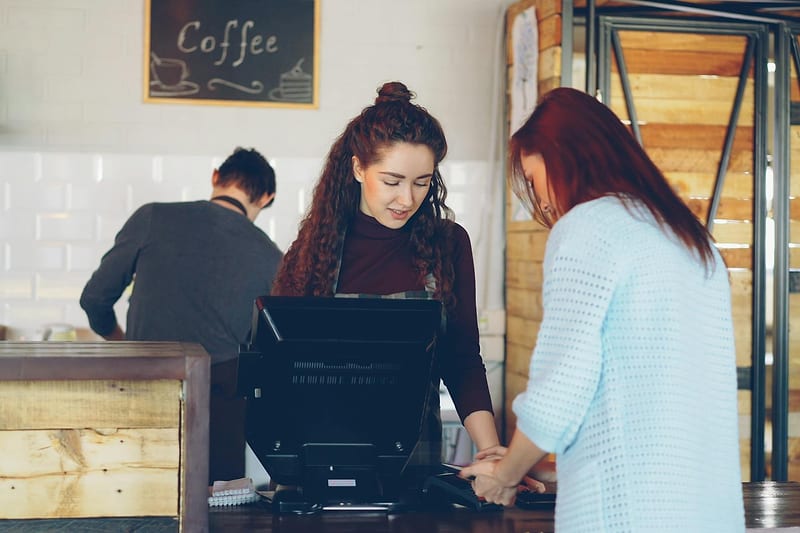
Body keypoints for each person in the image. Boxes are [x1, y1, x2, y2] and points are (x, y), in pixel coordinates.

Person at [461, 87, 745, 531]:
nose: (546, 203)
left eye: (536, 182)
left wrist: (505, 474)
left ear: (565, 160)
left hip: (627, 510)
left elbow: (561, 388)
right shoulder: (689, 239)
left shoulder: (587, 229)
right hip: (708, 508)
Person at [271, 81, 501, 471]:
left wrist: (492, 453)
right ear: (359, 168)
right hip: (318, 457)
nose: (407, 199)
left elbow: (461, 359)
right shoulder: (315, 249)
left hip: (414, 459)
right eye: (392, 182)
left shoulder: (448, 244)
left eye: (422, 183)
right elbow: (279, 364)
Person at [80, 146, 283, 484]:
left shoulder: (152, 217)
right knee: (217, 508)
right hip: (221, 403)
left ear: (216, 177)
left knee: (135, 490)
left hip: (146, 386)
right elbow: (264, 346)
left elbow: (95, 298)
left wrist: (125, 344)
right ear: (265, 198)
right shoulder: (271, 255)